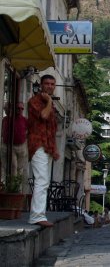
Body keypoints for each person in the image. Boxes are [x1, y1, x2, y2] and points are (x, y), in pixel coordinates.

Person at [27, 75, 60, 227]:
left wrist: (55, 148)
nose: (50, 86)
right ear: (41, 85)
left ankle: (40, 214)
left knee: (44, 181)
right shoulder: (35, 101)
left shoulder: (50, 104)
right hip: (37, 144)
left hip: (48, 146)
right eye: (47, 83)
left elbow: (52, 129)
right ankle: (36, 216)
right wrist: (49, 102)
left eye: (52, 84)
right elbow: (44, 116)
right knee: (41, 180)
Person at [1, 102, 29, 193]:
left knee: (20, 169)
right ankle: (12, 189)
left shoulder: (24, 120)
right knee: (13, 166)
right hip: (10, 146)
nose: (20, 110)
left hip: (21, 146)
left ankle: (18, 189)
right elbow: (3, 132)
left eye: (22, 109)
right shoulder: (6, 119)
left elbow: (29, 131)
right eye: (18, 108)